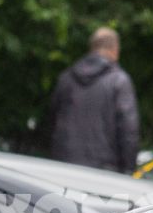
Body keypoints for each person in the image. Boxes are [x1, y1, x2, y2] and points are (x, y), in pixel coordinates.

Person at [48, 26, 139, 173]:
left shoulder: (66, 79)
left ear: (92, 48)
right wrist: (128, 171)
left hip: (64, 168)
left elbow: (51, 123)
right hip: (103, 173)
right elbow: (128, 132)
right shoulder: (119, 81)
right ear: (115, 49)